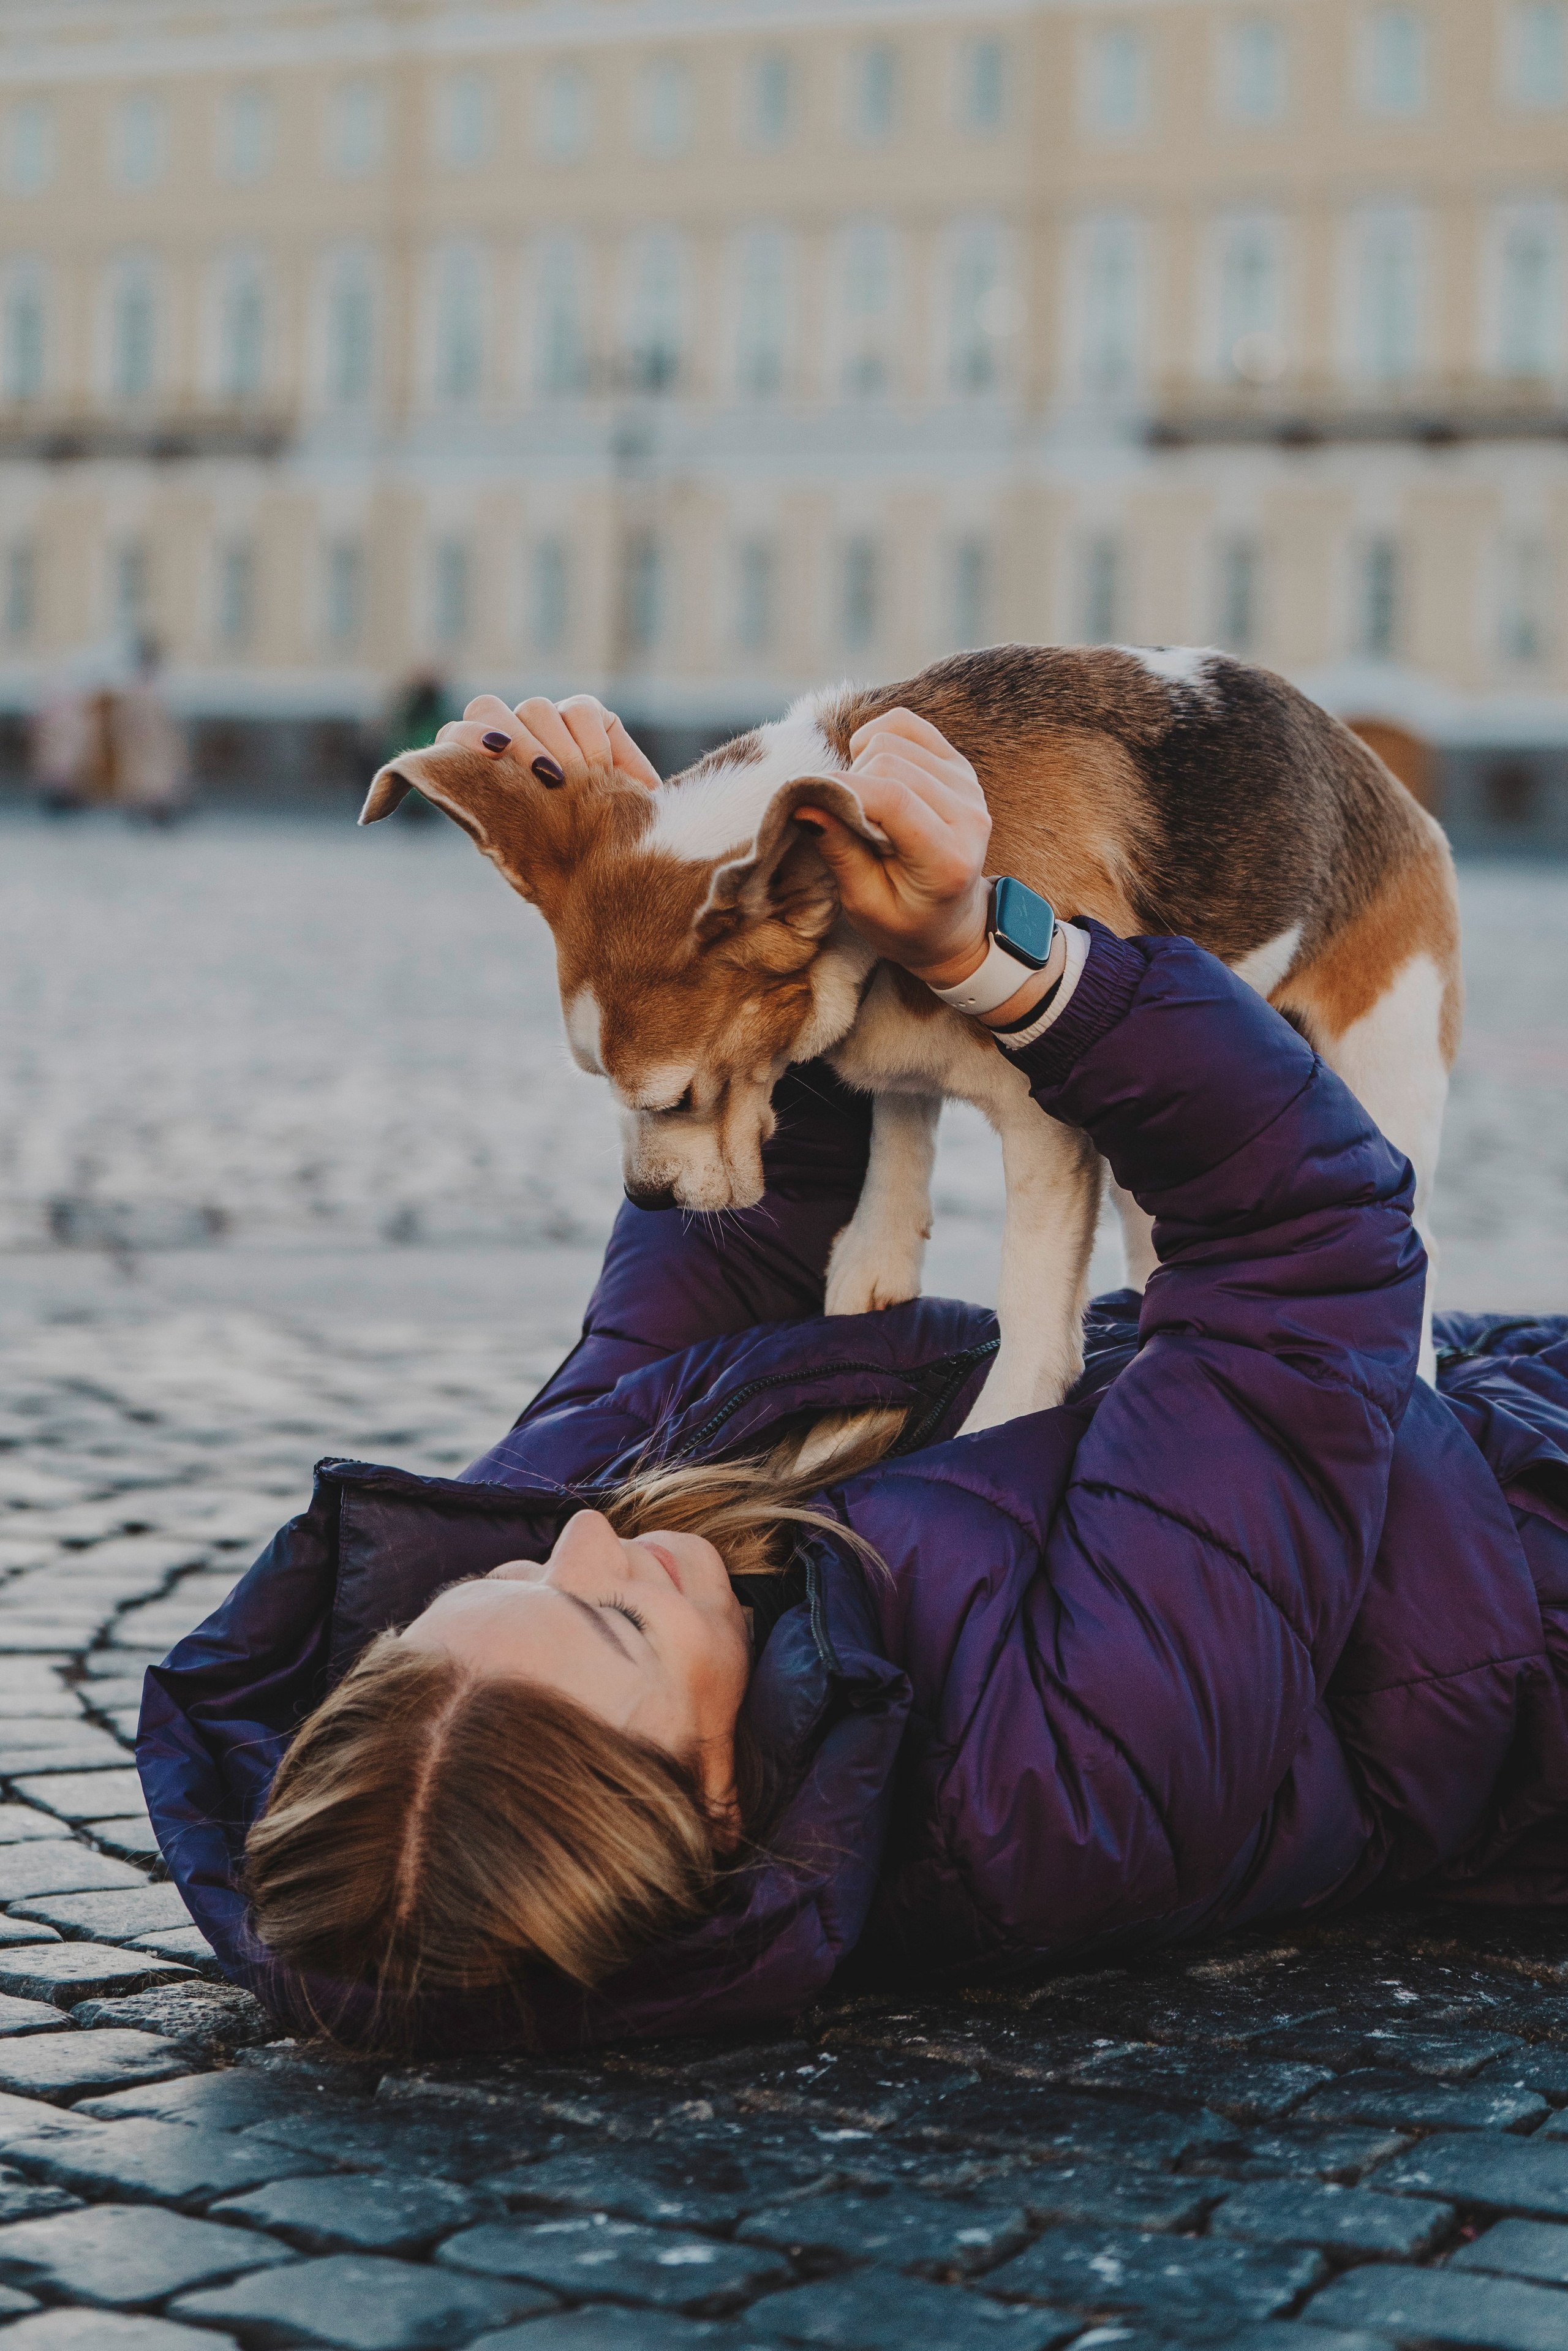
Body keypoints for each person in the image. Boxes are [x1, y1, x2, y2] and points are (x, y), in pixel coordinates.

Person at [140, 696, 1568, 2056]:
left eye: (496, 1583)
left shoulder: (580, 1531)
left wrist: (669, 878)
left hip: (1453, 1408)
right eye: (614, 1621)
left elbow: (743, 1240)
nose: (579, 1535)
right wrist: (1003, 957)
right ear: (713, 1806)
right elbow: (1302, 1251)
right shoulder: (1052, 1784)